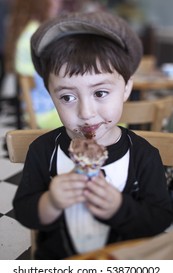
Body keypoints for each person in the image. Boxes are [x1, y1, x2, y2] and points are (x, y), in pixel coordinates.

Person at [13, 11, 173, 260]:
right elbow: (24, 212)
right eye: (67, 97)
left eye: (100, 93)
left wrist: (120, 208)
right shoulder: (44, 150)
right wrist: (51, 202)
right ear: (51, 94)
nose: (86, 114)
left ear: (126, 88)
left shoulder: (143, 155)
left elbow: (160, 218)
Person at [4, 0, 63, 129]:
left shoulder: (31, 30)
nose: (57, 3)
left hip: (43, 106)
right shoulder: (37, 36)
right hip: (47, 109)